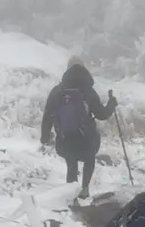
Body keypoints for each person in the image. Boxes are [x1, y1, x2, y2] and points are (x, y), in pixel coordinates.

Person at [41, 56, 117, 199]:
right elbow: (101, 114)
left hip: (64, 141)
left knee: (71, 162)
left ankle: (71, 191)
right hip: (86, 141)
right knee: (89, 159)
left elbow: (47, 116)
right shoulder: (88, 91)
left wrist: (45, 137)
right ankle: (84, 189)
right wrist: (112, 104)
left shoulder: (57, 91)